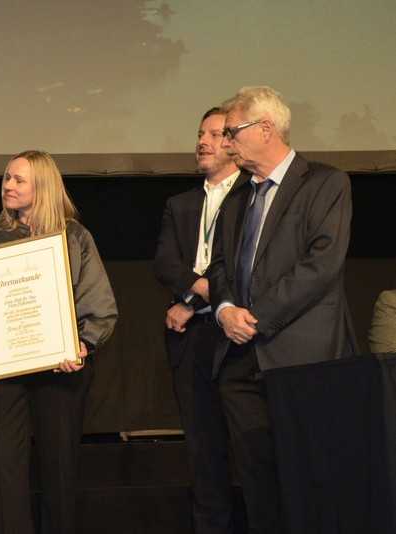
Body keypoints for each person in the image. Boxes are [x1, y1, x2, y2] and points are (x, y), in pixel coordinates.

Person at [208, 86, 357, 533]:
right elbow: (218, 267)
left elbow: (321, 263)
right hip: (240, 363)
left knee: (311, 480)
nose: (225, 141)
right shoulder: (235, 197)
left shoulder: (326, 184)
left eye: (232, 131)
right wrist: (225, 310)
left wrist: (254, 316)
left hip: (301, 361)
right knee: (258, 485)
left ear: (266, 129)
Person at [0, 150, 117, 534]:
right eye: (6, 178)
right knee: (1, 474)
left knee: (59, 472)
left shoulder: (74, 237)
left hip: (60, 371)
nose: (8, 185)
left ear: (43, 185)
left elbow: (100, 304)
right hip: (2, 374)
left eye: (18, 179)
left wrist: (83, 346)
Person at [153, 107, 242, 534]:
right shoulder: (180, 204)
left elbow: (245, 269)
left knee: (247, 446)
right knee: (202, 452)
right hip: (192, 341)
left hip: (238, 340)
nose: (203, 142)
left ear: (233, 142)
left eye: (214, 134)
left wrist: (190, 301)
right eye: (200, 133)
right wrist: (199, 293)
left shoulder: (251, 197)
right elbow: (167, 264)